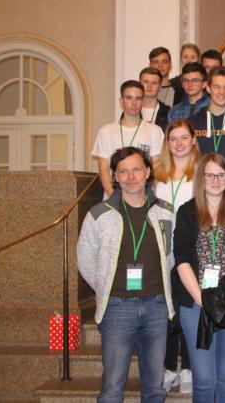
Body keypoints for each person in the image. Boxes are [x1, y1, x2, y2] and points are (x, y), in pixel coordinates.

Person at [77, 147, 175, 403]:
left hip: (156, 307)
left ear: (147, 172)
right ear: (115, 177)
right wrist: (106, 289)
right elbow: (85, 260)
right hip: (117, 308)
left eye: (136, 169)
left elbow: (171, 256)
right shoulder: (99, 214)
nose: (130, 176)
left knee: (155, 387)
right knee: (112, 387)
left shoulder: (165, 211)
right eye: (123, 171)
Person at [173, 153, 225, 403]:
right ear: (201, 178)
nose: (216, 180)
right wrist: (203, 299)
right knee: (204, 379)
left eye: (221, 175)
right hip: (196, 305)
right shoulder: (187, 211)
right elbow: (182, 257)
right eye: (210, 175)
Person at [154, 119, 201, 394]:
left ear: (193, 140)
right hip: (162, 252)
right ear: (167, 143)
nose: (179, 143)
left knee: (186, 310)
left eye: (184, 138)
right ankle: (170, 367)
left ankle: (189, 369)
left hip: (190, 251)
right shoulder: (158, 176)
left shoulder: (201, 173)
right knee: (166, 313)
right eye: (174, 138)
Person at [92, 80, 164, 197]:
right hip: (114, 198)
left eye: (138, 98)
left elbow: (156, 167)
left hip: (143, 198)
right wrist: (115, 199)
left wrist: (145, 197)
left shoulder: (154, 130)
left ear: (143, 102)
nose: (134, 103)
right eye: (129, 98)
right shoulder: (106, 131)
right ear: (121, 102)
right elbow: (103, 168)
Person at [139, 66, 170, 133]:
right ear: (139, 85)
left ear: (160, 87)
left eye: (154, 83)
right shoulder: (131, 111)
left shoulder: (169, 113)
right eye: (146, 82)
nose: (149, 86)